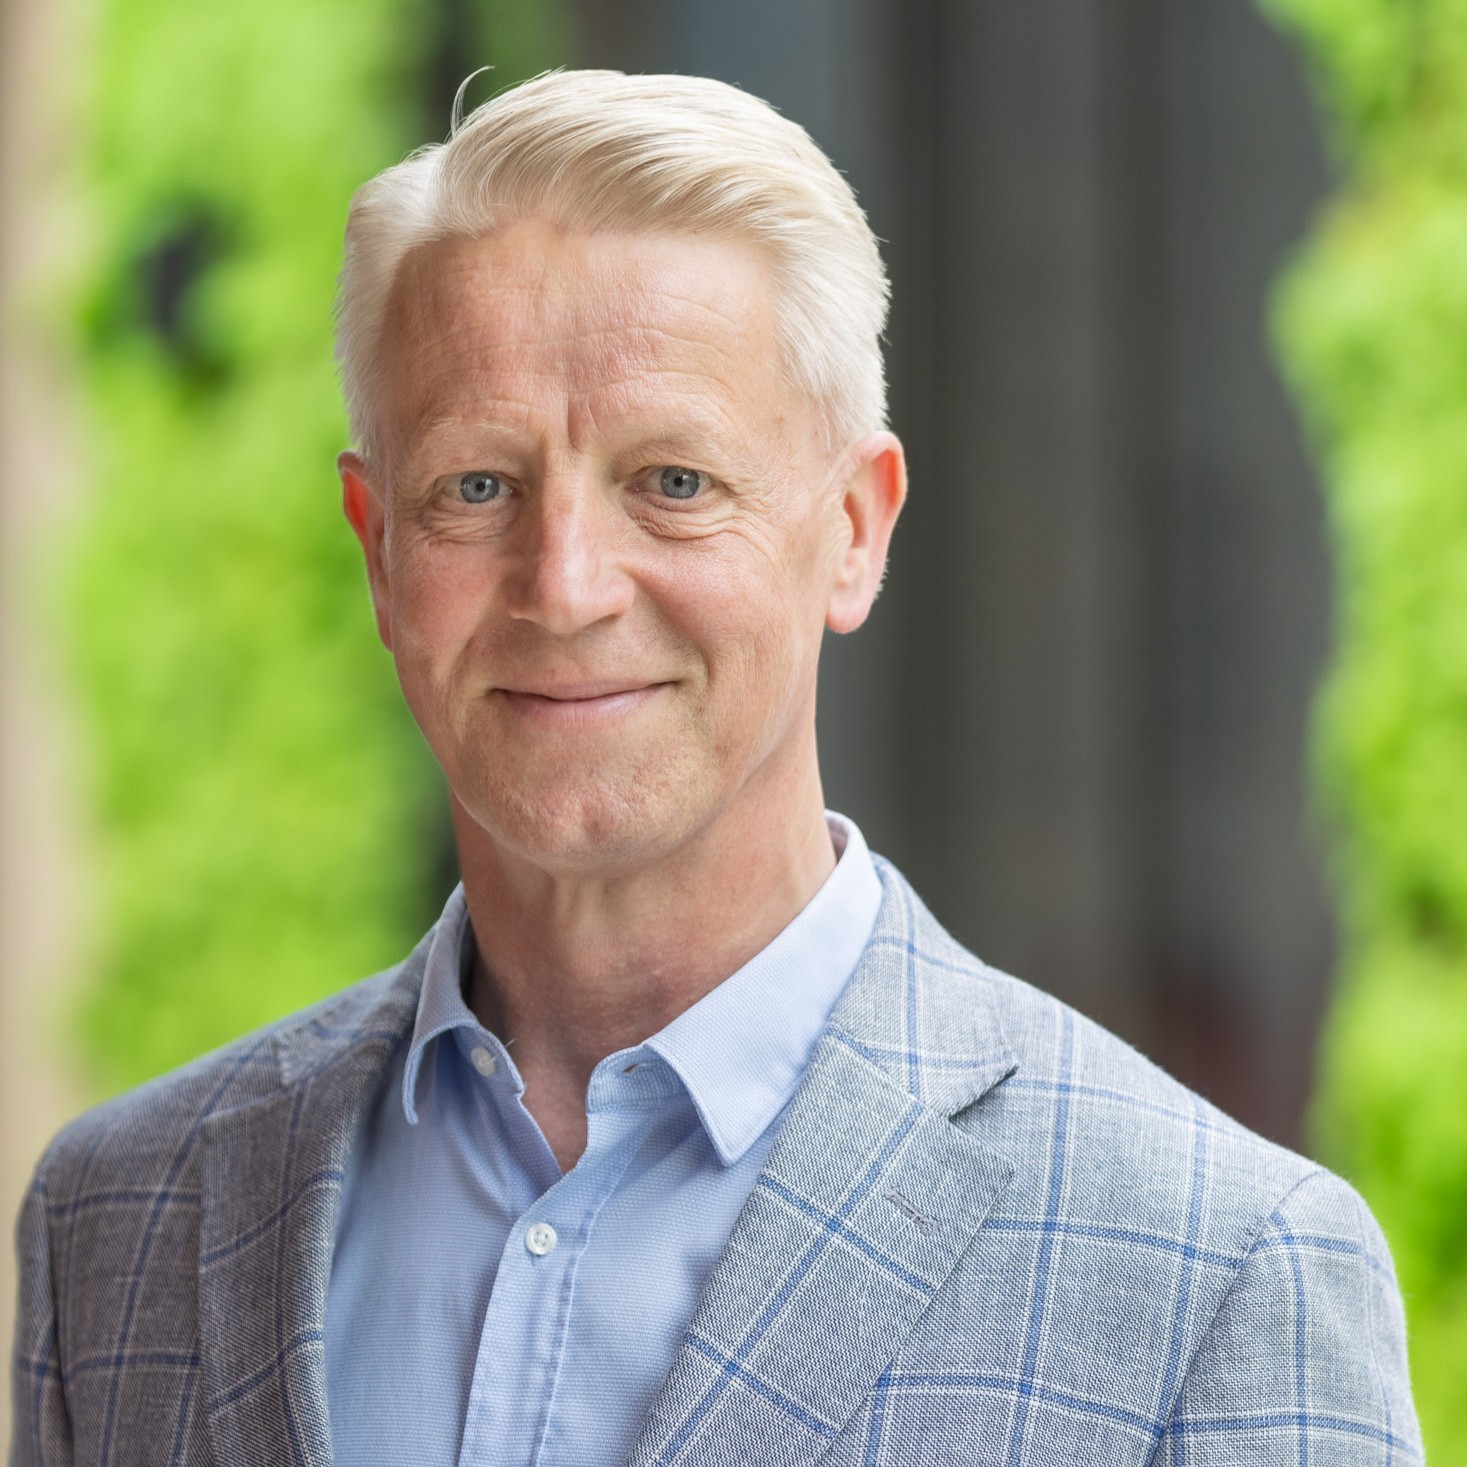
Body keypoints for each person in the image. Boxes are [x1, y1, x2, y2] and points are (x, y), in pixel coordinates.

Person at [11, 69, 1420, 1466]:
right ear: (378, 549)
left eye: (673, 483)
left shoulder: (1220, 1278)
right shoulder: (118, 1223)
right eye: (477, 487)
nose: (565, 587)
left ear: (854, 530)